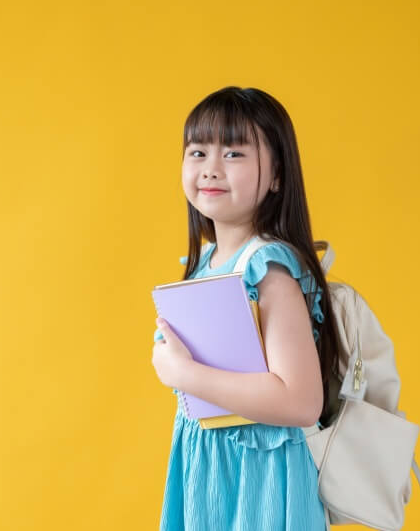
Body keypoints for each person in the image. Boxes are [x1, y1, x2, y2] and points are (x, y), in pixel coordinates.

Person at [151, 86, 343, 531]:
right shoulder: (203, 265)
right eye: (197, 152)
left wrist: (182, 374)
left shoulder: (268, 269)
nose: (211, 169)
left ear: (277, 175)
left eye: (234, 154)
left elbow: (300, 402)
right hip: (206, 467)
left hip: (260, 477)